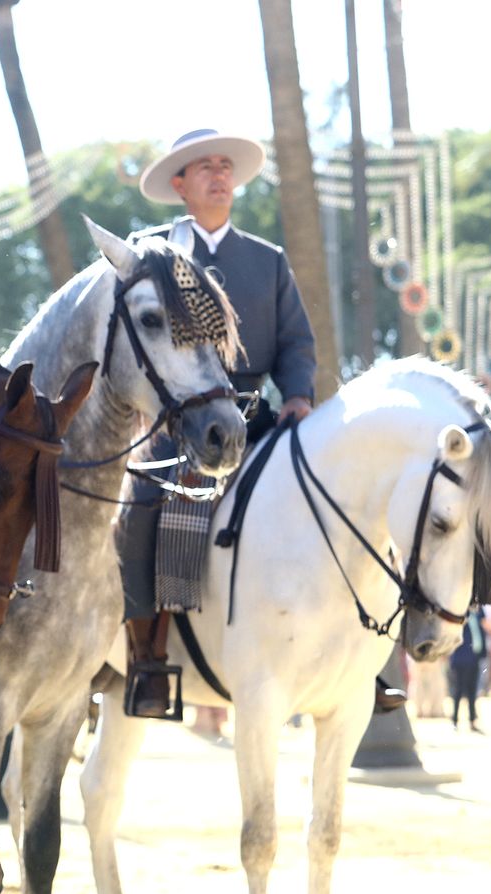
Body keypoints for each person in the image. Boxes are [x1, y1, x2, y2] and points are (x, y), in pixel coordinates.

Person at [116, 128, 319, 718]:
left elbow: (296, 343)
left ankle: (358, 658)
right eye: (204, 168)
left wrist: (300, 396)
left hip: (257, 421)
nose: (220, 176)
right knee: (143, 510)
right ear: (180, 185)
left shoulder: (267, 260)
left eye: (225, 166)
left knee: (340, 500)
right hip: (176, 425)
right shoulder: (150, 252)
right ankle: (147, 653)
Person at [447, 607, 489, 732]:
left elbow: (483, 627)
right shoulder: (459, 609)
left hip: (474, 657)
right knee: (458, 691)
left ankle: (472, 720)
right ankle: (455, 720)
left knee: (472, 690)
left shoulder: (479, 610)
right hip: (460, 657)